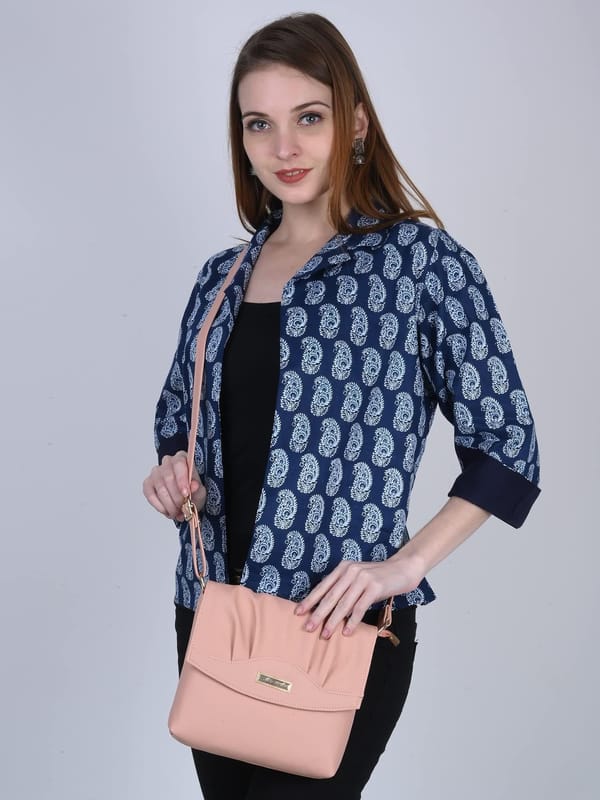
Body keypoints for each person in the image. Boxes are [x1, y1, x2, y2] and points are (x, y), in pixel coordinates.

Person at [142, 12, 541, 799]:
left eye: (309, 118)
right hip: (213, 617)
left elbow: (508, 446)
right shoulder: (219, 279)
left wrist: (404, 566)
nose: (283, 147)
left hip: (337, 629)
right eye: (259, 124)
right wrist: (171, 473)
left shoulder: (421, 265)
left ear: (354, 124)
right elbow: (178, 425)